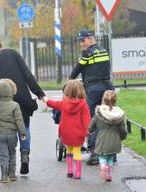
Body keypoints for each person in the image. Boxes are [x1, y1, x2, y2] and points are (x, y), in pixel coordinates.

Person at [0, 34, 45, 175]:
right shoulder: (13, 54)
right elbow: (27, 74)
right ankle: (25, 155)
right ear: (0, 43)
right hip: (21, 97)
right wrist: (39, 92)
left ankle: (8, 162)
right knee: (25, 127)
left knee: (4, 131)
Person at [70, 29, 115, 165]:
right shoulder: (104, 51)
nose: (82, 44)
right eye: (80, 41)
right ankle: (111, 152)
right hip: (108, 88)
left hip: (94, 89)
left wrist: (70, 83)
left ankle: (95, 153)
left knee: (93, 119)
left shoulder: (88, 54)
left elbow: (76, 70)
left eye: (83, 40)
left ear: (91, 38)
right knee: (108, 118)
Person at [42, 80, 91, 179]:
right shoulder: (83, 104)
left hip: (66, 132)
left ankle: (69, 171)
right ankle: (77, 173)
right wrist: (88, 130)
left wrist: (45, 99)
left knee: (69, 150)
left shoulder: (64, 103)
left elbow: (53, 104)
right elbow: (87, 119)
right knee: (77, 151)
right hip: (78, 133)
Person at [89, 90, 127, 181]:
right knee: (110, 157)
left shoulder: (99, 113)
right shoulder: (118, 114)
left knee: (102, 157)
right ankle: (108, 174)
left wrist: (90, 131)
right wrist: (122, 137)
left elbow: (91, 126)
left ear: (103, 99)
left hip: (102, 140)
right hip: (115, 141)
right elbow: (123, 130)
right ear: (115, 101)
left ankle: (103, 167)